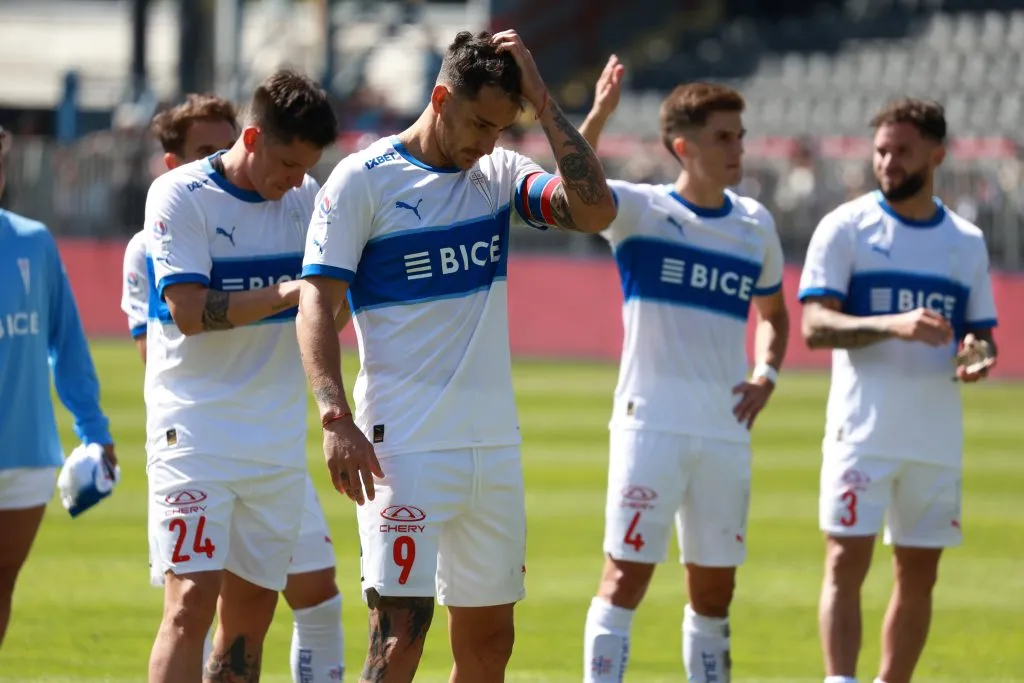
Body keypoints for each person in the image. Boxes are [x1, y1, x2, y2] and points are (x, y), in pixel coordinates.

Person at [297, 29, 617, 683]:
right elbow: (315, 304)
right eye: (478, 123)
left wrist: (545, 101)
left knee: (491, 644)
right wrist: (334, 417)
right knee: (397, 644)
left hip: (491, 449)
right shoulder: (364, 180)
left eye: (501, 127)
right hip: (402, 449)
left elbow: (593, 210)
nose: (487, 141)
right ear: (440, 97)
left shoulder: (496, 176)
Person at [576, 56, 790, 683]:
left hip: (725, 432)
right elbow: (572, 187)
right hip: (652, 426)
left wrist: (766, 373)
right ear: (682, 147)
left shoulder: (755, 227)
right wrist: (598, 115)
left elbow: (774, 314)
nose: (738, 148)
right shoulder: (640, 212)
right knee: (625, 579)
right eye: (724, 137)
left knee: (715, 593)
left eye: (740, 136)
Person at [122, 93, 346, 683]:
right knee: (189, 603)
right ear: (251, 139)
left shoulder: (303, 198)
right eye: (287, 163)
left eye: (306, 166)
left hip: (272, 444)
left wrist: (328, 300)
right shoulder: (179, 195)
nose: (296, 179)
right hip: (194, 433)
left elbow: (326, 314)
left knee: (250, 617)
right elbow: (189, 313)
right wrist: (288, 293)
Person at [797, 98, 998, 683]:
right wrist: (892, 323)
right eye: (881, 150)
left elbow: (983, 339)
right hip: (861, 432)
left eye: (902, 151)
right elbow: (814, 327)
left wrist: (975, 357)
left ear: (937, 154)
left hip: (934, 438)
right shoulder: (846, 227)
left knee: (919, 574)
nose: (887, 161)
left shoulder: (966, 241)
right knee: (844, 564)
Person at [0, 124, 117, 648]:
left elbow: (65, 343)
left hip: (26, 456)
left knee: (2, 588)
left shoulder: (33, 241)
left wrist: (94, 429)